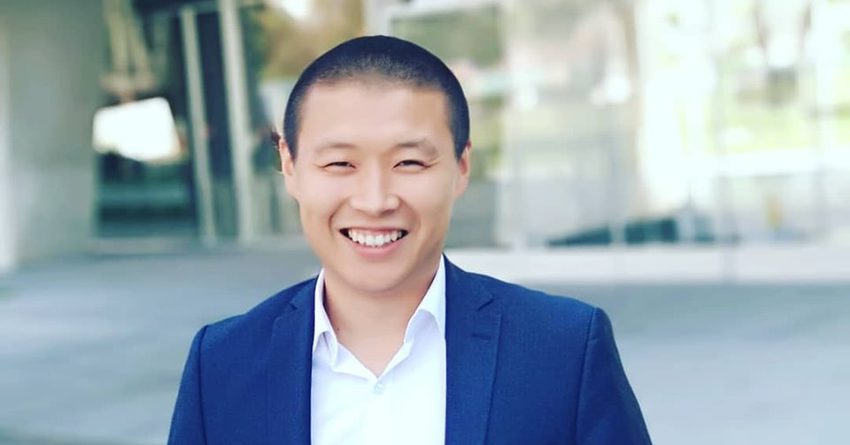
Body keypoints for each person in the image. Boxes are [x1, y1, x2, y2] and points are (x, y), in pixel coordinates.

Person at [168, 35, 652, 445]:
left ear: (461, 166)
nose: (375, 200)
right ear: (289, 165)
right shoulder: (223, 362)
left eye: (409, 163)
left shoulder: (562, 348)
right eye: (340, 163)